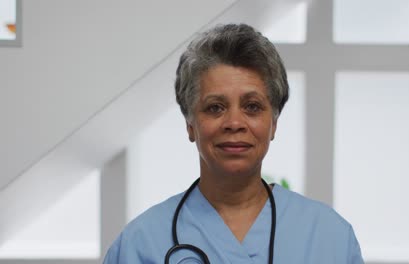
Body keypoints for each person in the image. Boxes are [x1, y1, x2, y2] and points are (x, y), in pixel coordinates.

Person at [103, 23, 364, 263]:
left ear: (273, 123)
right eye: (215, 108)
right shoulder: (140, 244)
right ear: (190, 124)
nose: (234, 123)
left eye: (252, 106)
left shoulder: (330, 238)